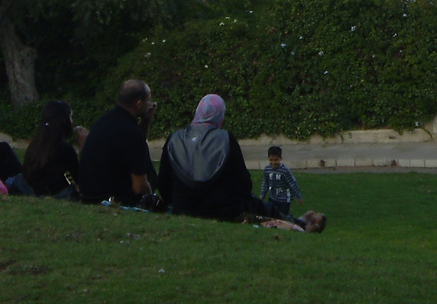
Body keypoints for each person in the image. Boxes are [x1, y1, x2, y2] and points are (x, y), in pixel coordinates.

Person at [158, 93, 281, 222]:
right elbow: (243, 183)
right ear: (220, 114)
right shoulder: (225, 139)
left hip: (182, 206)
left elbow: (163, 182)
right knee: (267, 208)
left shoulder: (174, 139)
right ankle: (292, 222)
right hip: (222, 209)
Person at [78, 80, 159, 208]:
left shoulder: (104, 122)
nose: (150, 104)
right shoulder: (131, 132)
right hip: (116, 199)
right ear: (139, 103)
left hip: (90, 195)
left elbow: (135, 148)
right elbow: (139, 186)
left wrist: (145, 121)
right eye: (148, 100)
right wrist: (152, 199)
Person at [22, 101, 88, 198]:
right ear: (64, 121)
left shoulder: (34, 147)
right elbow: (83, 181)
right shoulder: (64, 149)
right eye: (70, 117)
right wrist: (83, 147)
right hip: (60, 196)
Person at [259, 144, 302, 217]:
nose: (273, 162)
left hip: (284, 199)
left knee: (283, 216)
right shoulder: (267, 169)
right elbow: (265, 183)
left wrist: (299, 196)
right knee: (272, 215)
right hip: (273, 197)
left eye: (276, 160)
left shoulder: (284, 170)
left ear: (280, 158)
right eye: (271, 160)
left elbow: (293, 183)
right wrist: (262, 195)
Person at [259, 210, 327, 233]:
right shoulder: (302, 223)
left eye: (315, 219)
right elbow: (299, 221)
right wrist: (306, 216)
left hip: (287, 220)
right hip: (289, 219)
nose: (314, 215)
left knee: (271, 211)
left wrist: (314, 225)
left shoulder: (302, 230)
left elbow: (307, 231)